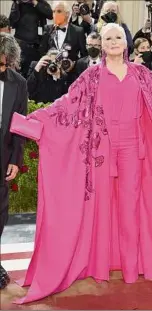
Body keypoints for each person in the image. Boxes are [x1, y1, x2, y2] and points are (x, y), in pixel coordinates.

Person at [10, 23, 152, 304]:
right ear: (101, 43)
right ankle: (101, 264)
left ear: (126, 43)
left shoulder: (140, 73)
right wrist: (33, 121)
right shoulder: (91, 76)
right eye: (108, 37)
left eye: (118, 37)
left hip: (134, 151)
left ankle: (131, 267)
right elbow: (67, 104)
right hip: (102, 152)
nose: (113, 41)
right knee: (101, 208)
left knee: (129, 207)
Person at [0, 33, 28, 289]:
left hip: (2, 156)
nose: (1, 68)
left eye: (5, 64)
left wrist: (16, 160)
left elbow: (20, 126)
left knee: (0, 213)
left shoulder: (18, 83)